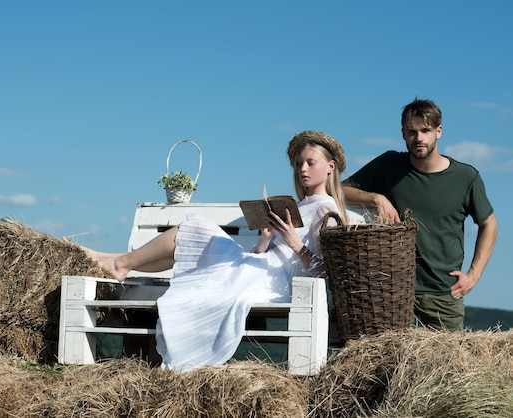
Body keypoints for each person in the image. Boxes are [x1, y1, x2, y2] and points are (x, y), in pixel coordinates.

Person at [78, 130, 348, 371]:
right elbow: (262, 256)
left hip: (277, 283)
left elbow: (325, 271)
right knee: (194, 240)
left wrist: (293, 242)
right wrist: (266, 238)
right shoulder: (297, 206)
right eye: (299, 163)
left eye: (310, 163)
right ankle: (117, 262)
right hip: (259, 267)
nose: (303, 168)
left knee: (195, 229)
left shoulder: (326, 209)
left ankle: (118, 263)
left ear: (330, 167)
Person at [342, 98, 497, 331]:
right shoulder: (388, 165)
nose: (419, 138)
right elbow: (338, 191)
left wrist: (473, 275)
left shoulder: (466, 177)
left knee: (446, 366)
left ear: (438, 131)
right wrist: (376, 198)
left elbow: (489, 225)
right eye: (412, 132)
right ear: (403, 134)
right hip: (391, 291)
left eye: (425, 130)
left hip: (443, 295)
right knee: (386, 364)